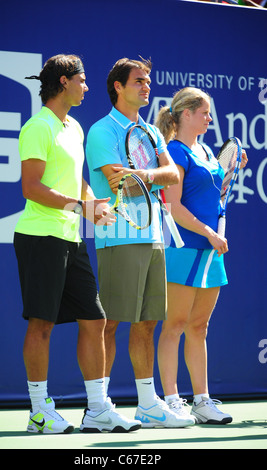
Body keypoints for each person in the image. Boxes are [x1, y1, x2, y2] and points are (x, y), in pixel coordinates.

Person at [14, 54, 141, 434]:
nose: (87, 88)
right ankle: (39, 411)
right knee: (42, 324)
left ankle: (98, 409)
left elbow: (76, 180)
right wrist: (78, 206)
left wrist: (94, 206)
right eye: (82, 82)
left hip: (71, 236)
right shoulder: (38, 127)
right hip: (40, 236)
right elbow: (31, 187)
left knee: (95, 319)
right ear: (65, 81)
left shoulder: (74, 127)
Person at [86, 58, 195, 428]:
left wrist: (144, 173)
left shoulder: (150, 130)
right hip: (118, 237)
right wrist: (151, 177)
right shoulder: (102, 131)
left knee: (147, 323)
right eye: (138, 81)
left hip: (153, 238)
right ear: (118, 86)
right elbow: (118, 182)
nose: (146, 86)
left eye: (148, 81)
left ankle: (147, 404)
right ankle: (97, 407)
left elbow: (171, 175)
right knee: (112, 322)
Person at [155, 87, 248, 424]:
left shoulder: (208, 150)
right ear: (187, 114)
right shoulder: (175, 152)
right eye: (205, 113)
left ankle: (202, 400)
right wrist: (209, 233)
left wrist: (228, 174)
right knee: (175, 324)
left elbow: (213, 195)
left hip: (211, 251)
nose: (210, 119)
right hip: (185, 249)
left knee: (199, 326)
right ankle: (171, 399)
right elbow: (174, 206)